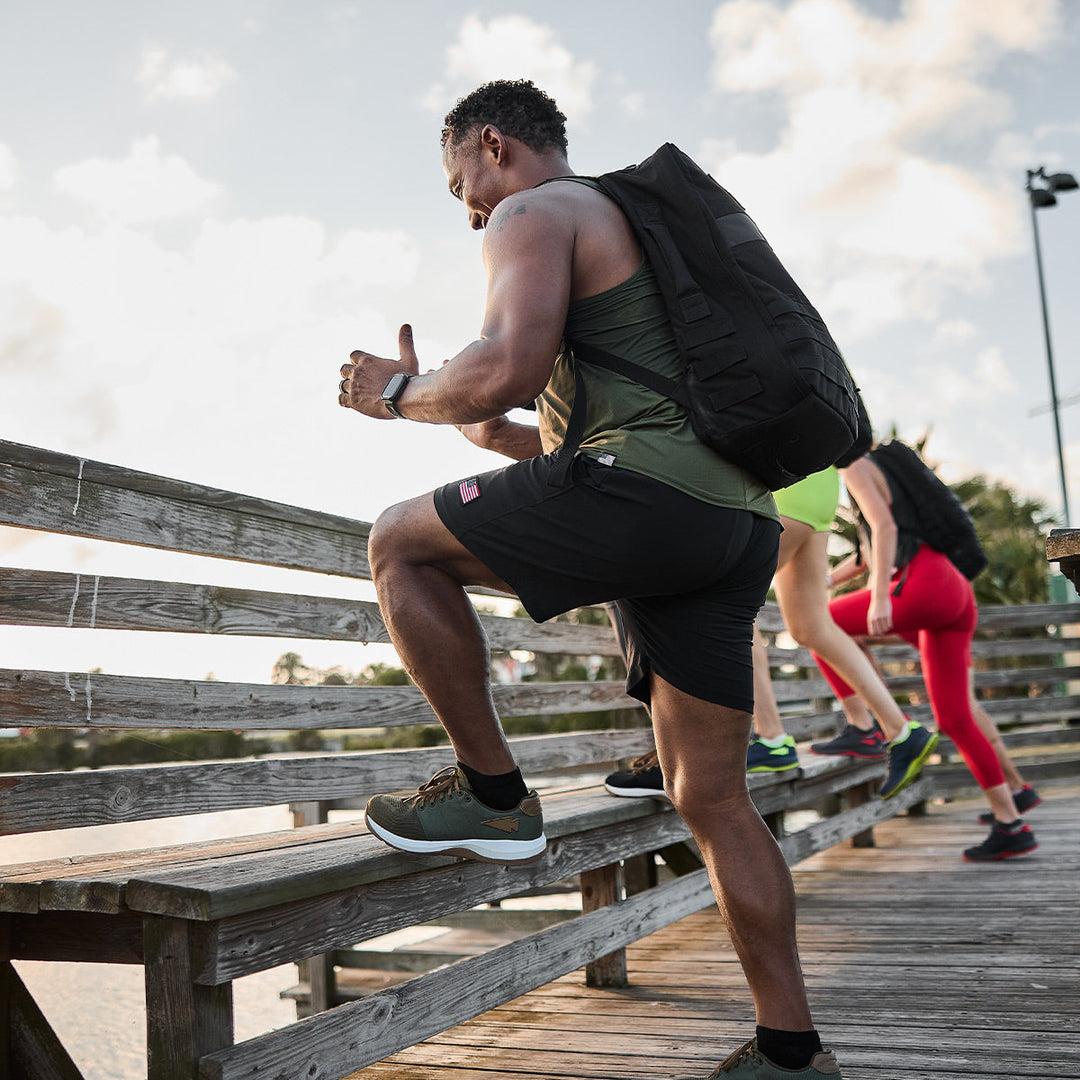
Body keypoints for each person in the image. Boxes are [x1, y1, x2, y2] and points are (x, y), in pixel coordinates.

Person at [337, 79, 843, 1079]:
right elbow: (531, 418)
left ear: (493, 146)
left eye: (461, 186)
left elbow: (509, 369)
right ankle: (793, 1053)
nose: (471, 209)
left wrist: (397, 396)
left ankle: (492, 795)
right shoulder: (638, 230)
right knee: (715, 800)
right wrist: (469, 412)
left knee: (398, 542)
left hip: (650, 500)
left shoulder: (536, 209)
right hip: (732, 519)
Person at [605, 462, 938, 799]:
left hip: (781, 491)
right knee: (813, 626)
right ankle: (901, 730)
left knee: (724, 604)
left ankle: (772, 740)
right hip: (819, 487)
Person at [822, 450, 1039, 862]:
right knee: (956, 718)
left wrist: (880, 596)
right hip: (953, 588)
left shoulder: (853, 465)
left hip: (923, 583)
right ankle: (1011, 821)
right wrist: (831, 578)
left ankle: (866, 728)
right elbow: (873, 547)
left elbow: (883, 529)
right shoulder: (889, 472)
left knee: (821, 622)